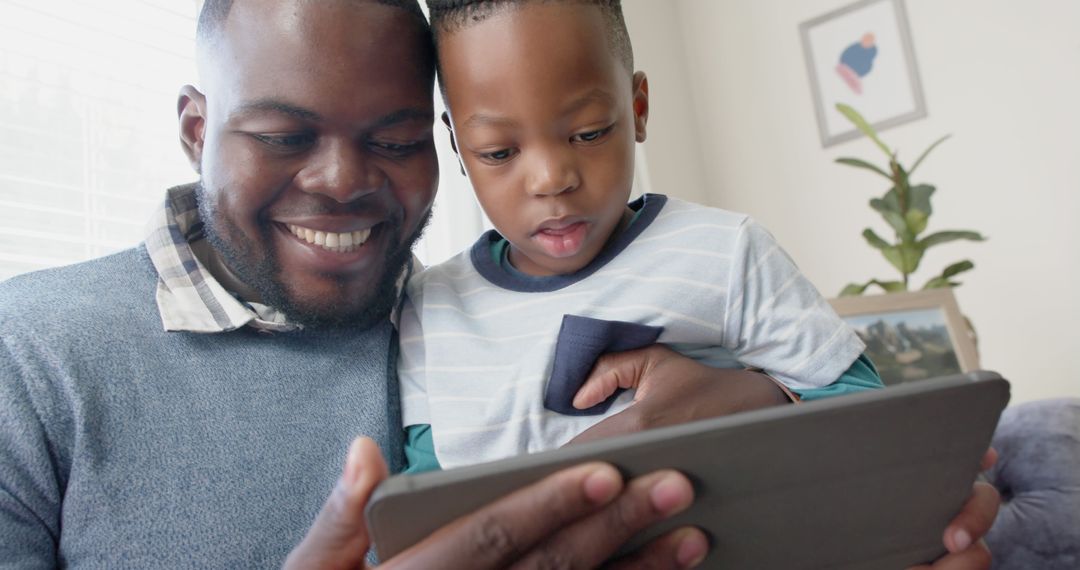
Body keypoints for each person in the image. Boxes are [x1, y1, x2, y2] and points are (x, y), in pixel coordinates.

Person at [0, 0, 997, 568]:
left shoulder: (414, 305)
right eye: (282, 136)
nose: (344, 182)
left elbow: (856, 429)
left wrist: (758, 403)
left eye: (392, 141)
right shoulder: (31, 358)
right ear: (193, 128)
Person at [398, 0, 875, 473]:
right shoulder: (431, 308)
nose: (550, 179)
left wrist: (758, 399)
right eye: (499, 152)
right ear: (459, 149)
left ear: (638, 108)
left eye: (588, 133)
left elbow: (870, 417)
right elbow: (423, 506)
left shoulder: (725, 252)